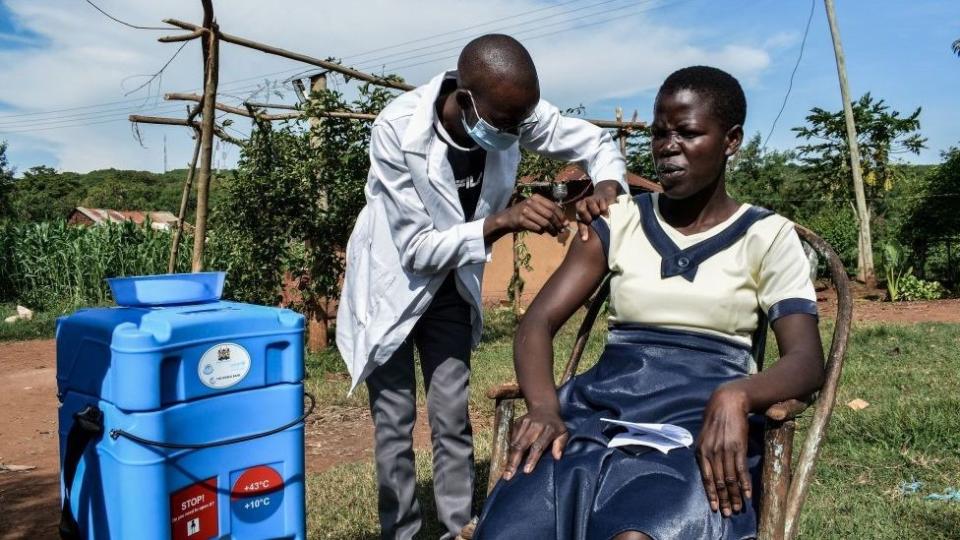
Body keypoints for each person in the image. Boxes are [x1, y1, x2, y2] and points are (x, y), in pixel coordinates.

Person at [474, 66, 825, 540]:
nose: (667, 146)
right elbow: (538, 322)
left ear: (731, 140)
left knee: (640, 532)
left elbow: (806, 361)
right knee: (516, 524)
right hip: (601, 410)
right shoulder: (617, 222)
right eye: (659, 133)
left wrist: (737, 394)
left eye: (688, 132)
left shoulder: (767, 236)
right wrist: (543, 407)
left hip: (700, 421)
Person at [336, 34, 628, 540]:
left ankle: (457, 529)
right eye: (507, 124)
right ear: (466, 100)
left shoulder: (510, 112)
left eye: (522, 123)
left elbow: (596, 143)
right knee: (394, 423)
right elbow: (417, 249)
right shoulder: (398, 130)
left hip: (450, 286)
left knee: (451, 414)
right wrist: (501, 221)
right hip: (394, 284)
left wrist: (608, 184)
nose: (516, 133)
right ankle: (400, 532)